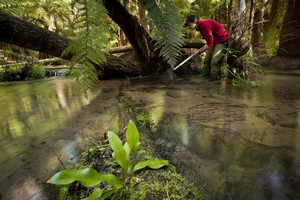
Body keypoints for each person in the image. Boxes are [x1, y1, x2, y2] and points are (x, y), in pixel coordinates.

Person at [183, 15, 229, 80]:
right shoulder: (201, 27)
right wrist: (198, 52)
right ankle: (205, 79)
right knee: (207, 60)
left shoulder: (205, 26)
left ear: (195, 22)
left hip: (222, 40)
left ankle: (214, 80)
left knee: (215, 61)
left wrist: (198, 52)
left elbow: (209, 45)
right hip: (214, 41)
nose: (189, 27)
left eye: (189, 25)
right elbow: (209, 42)